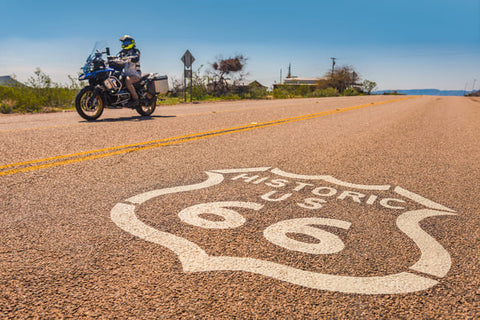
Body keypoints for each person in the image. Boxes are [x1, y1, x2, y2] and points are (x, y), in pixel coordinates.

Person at [117, 35, 141, 106]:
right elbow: (118, 58)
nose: (124, 44)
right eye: (123, 43)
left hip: (135, 74)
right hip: (126, 74)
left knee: (127, 80)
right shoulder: (122, 52)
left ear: (131, 42)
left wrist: (129, 58)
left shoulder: (136, 51)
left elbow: (136, 58)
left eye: (126, 42)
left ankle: (136, 99)